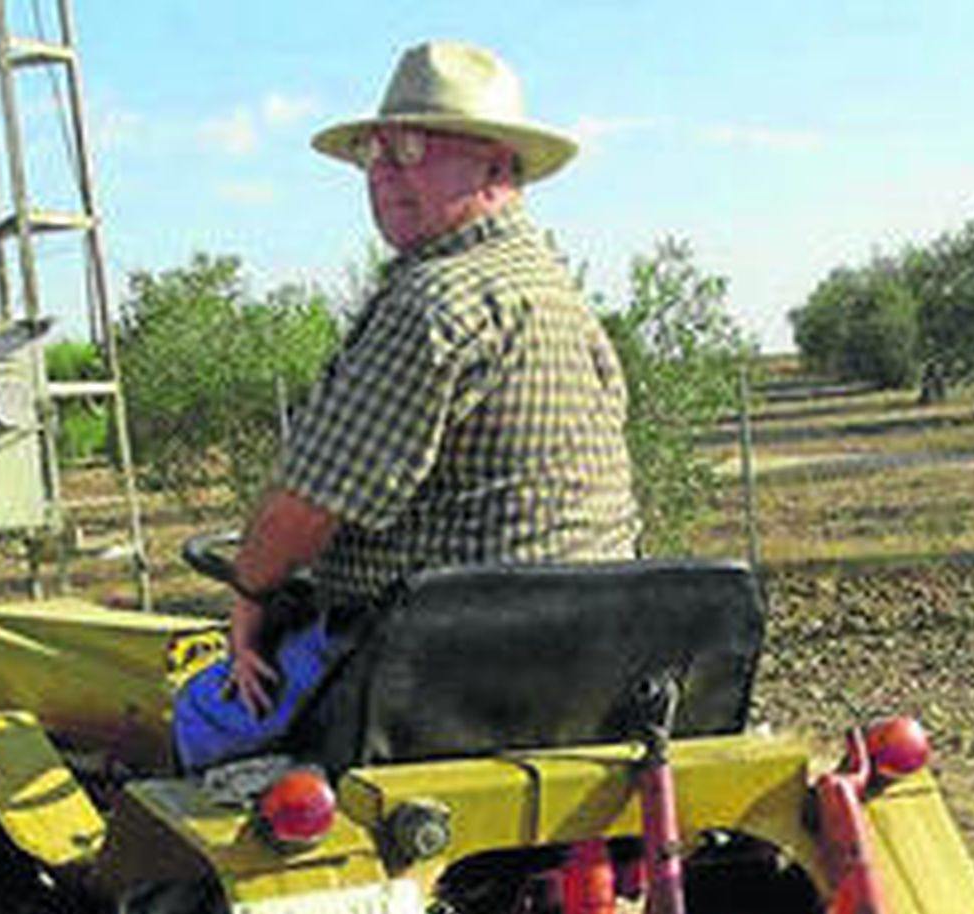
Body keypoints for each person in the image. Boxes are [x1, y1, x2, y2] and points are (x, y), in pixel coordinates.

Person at [174, 39, 639, 771]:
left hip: (434, 669)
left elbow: (304, 509)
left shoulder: (437, 301)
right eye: (376, 152)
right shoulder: (564, 302)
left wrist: (250, 599)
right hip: (577, 665)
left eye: (414, 145)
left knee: (198, 719)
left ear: (497, 164)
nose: (386, 171)